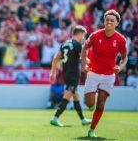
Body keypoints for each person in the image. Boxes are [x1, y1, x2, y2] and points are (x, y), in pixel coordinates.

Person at [81, 9, 128, 138]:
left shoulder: (121, 40)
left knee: (101, 104)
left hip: (108, 75)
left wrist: (121, 66)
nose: (109, 22)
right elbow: (84, 48)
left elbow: (125, 57)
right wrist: (84, 64)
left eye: (112, 20)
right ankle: (93, 99)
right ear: (104, 20)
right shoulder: (95, 35)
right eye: (107, 20)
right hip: (93, 73)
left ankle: (91, 130)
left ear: (117, 23)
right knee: (89, 103)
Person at [49, 25, 91, 127]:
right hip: (73, 74)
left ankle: (82, 119)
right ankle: (55, 118)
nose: (83, 38)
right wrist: (88, 64)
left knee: (76, 96)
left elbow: (55, 59)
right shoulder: (77, 45)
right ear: (80, 34)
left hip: (66, 73)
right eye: (83, 35)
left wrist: (53, 72)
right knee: (67, 96)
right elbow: (84, 58)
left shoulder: (64, 44)